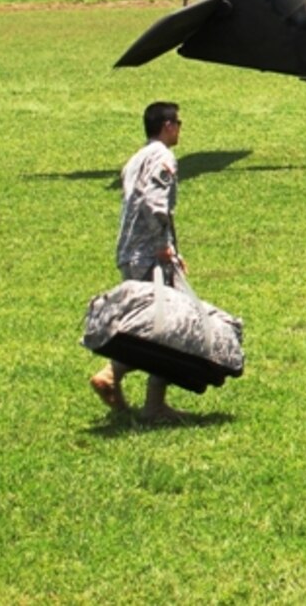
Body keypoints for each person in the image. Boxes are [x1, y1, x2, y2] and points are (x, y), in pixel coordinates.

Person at [89, 101, 192, 424]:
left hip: (129, 252)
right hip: (149, 254)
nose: (180, 128)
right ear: (167, 126)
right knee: (166, 326)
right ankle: (147, 401)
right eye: (178, 122)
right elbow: (154, 203)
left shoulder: (137, 158)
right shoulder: (163, 157)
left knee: (147, 322)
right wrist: (164, 247)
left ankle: (120, 379)